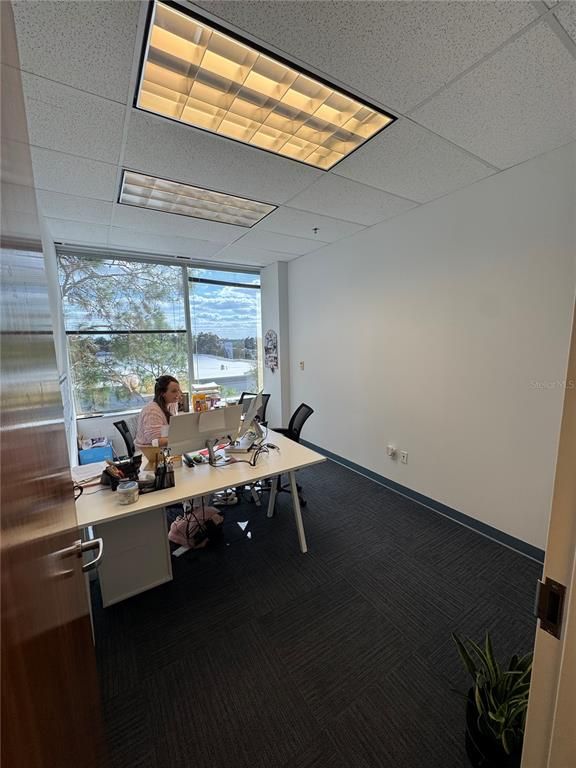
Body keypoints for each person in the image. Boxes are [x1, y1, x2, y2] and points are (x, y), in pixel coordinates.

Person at [134, 375, 181, 448]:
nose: (178, 394)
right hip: (147, 451)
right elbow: (155, 441)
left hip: (165, 447)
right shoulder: (152, 411)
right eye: (174, 391)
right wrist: (181, 438)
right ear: (163, 393)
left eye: (178, 390)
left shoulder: (173, 404)